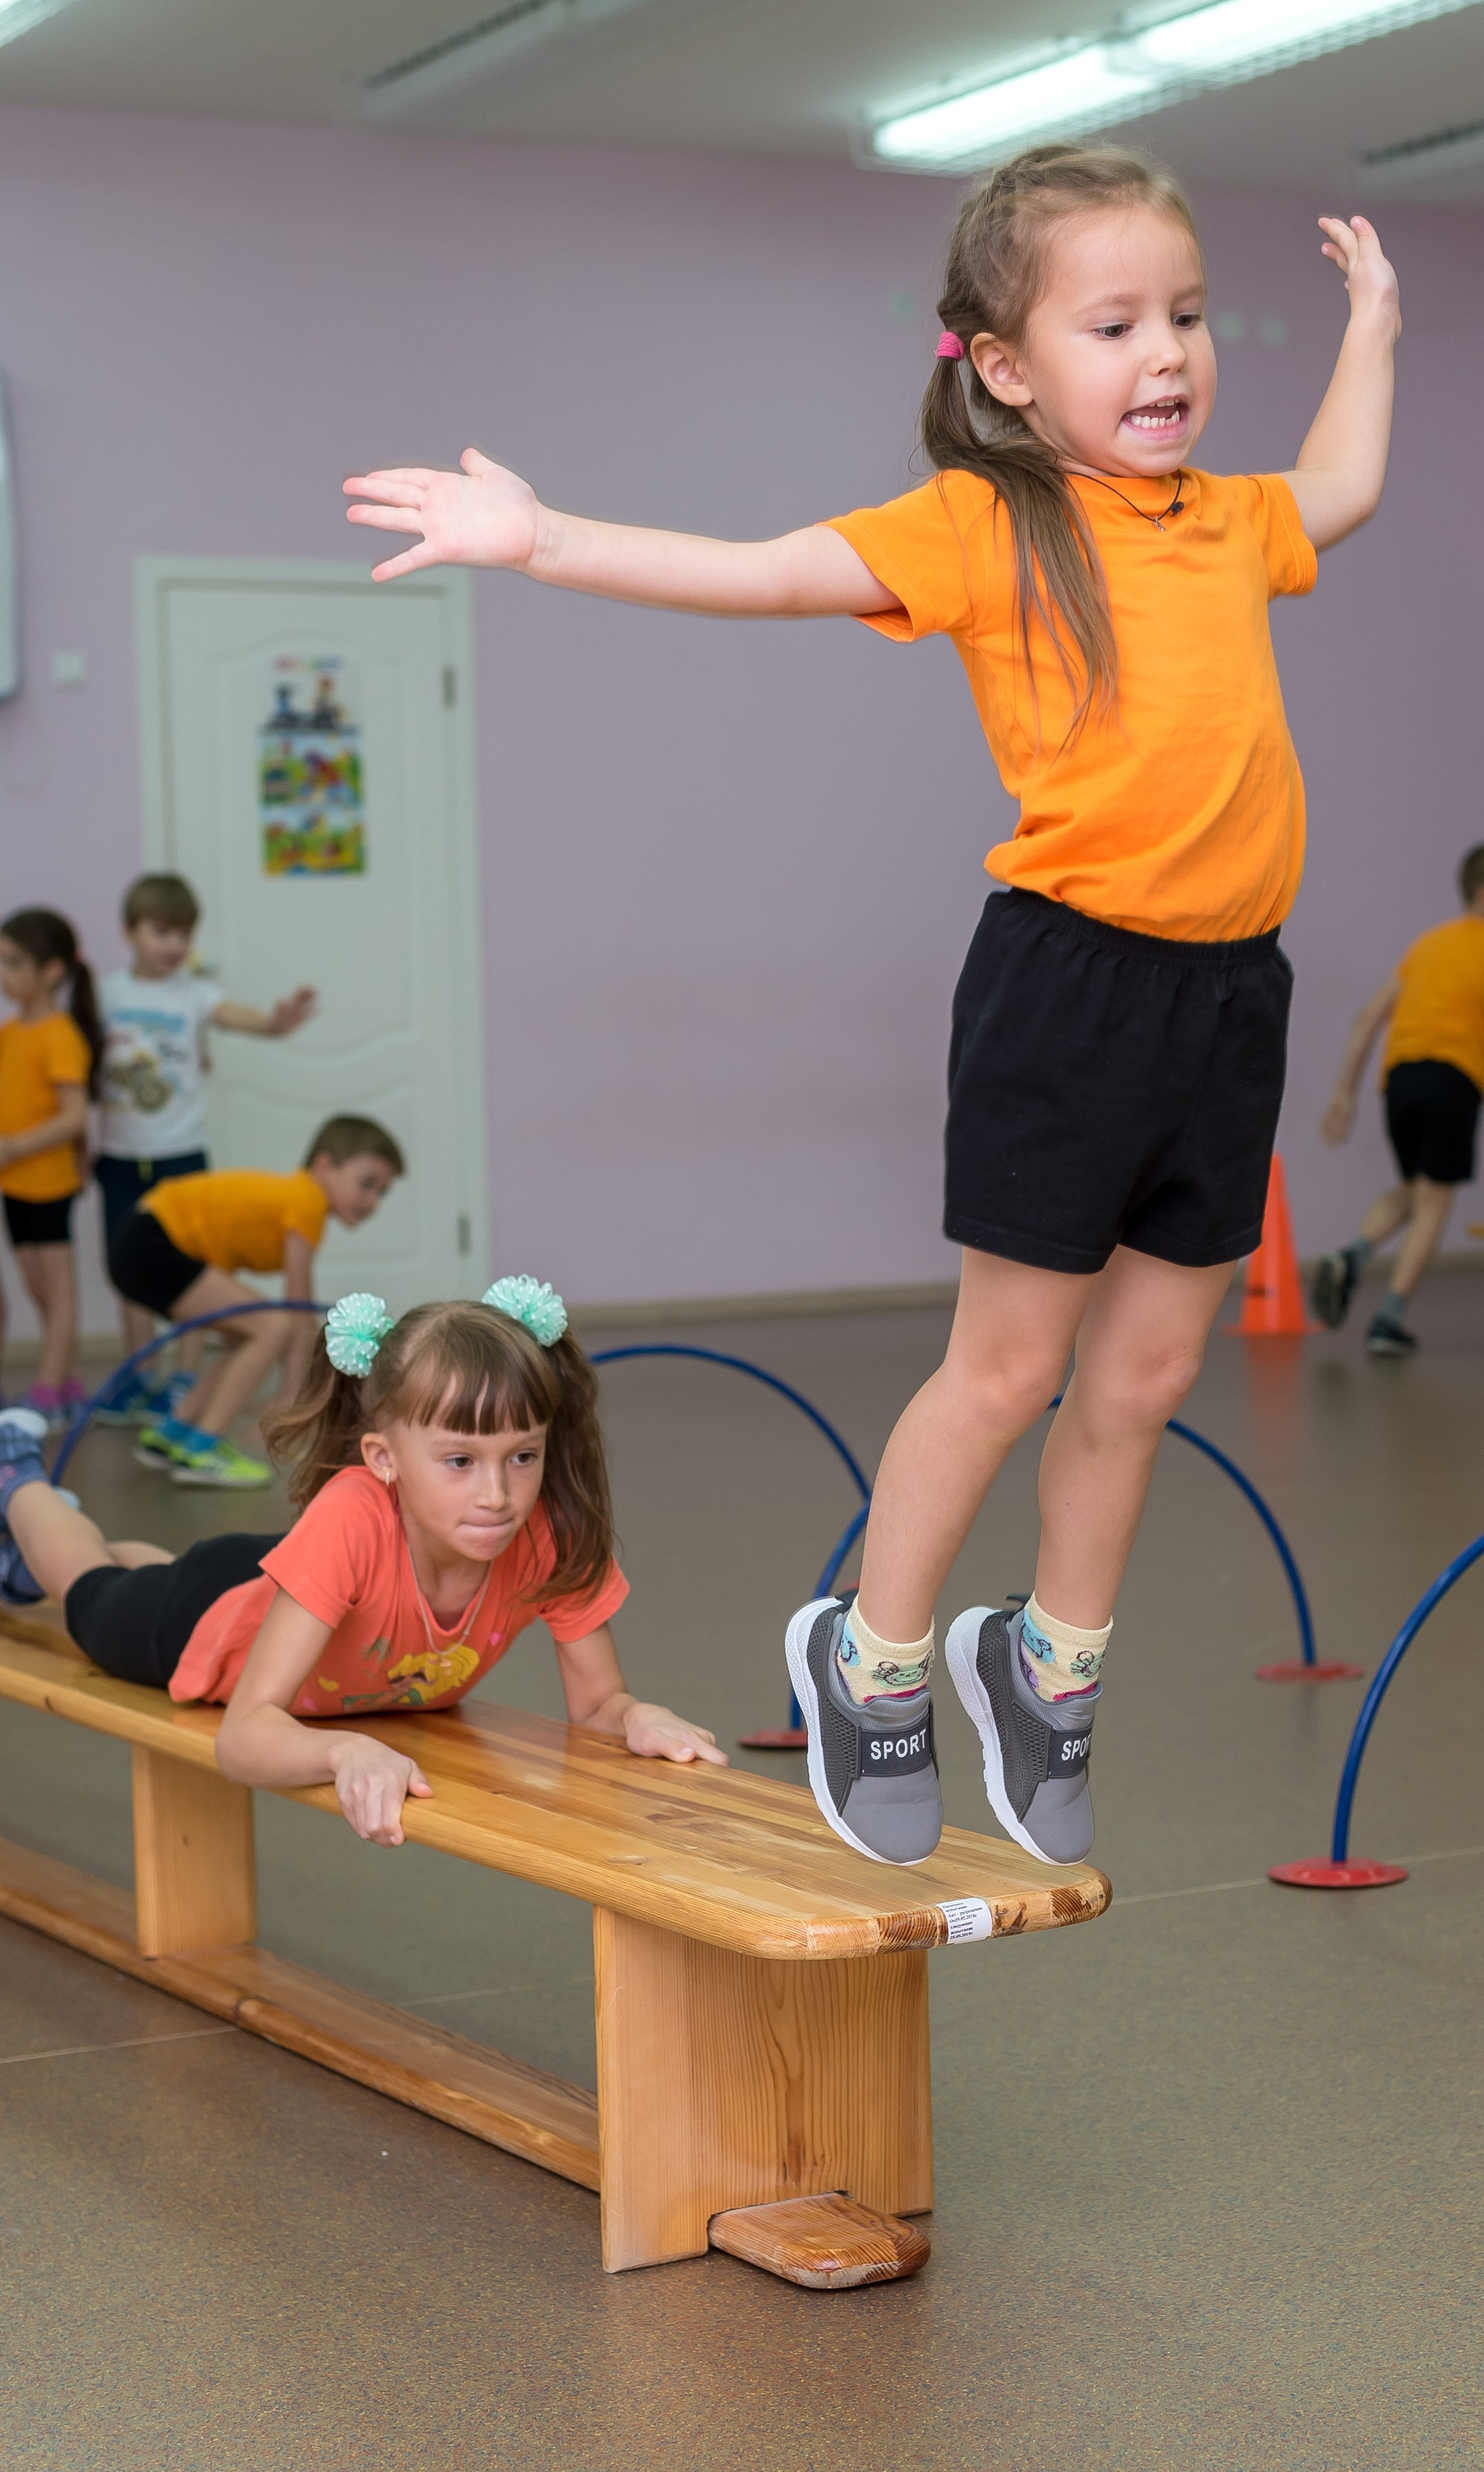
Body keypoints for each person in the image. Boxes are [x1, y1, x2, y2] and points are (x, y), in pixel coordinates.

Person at [343, 139, 1399, 1869]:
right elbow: (759, 570)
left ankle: (1044, 1667)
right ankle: (876, 1654)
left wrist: (1371, 323)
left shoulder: (1230, 518)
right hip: (1069, 989)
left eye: (1189, 318)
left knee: (1141, 1378)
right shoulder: (990, 525)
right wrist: (539, 538)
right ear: (999, 364)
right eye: (1114, 321)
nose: (1166, 355)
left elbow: (1343, 483)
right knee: (1003, 1367)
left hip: (1231, 997)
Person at [0, 1278, 723, 1839]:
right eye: (461, 1460)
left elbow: (596, 1703)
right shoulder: (351, 1513)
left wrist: (633, 1717)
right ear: (384, 1458)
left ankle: (33, 1557)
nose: (497, 1494)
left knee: (137, 1571)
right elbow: (244, 1737)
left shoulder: (548, 1535)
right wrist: (343, 1753)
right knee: (89, 1592)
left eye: (523, 1456)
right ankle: (17, 1477)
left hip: (283, 1587)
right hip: (200, 1629)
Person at [94, 871, 317, 1427]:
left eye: (183, 935)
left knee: (194, 1266)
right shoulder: (108, 994)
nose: (173, 946)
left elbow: (237, 1017)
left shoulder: (194, 994)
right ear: (130, 932)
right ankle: (140, 1378)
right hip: (122, 1153)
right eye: (160, 932)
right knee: (129, 1266)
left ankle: (186, 1378)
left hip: (181, 1152)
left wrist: (274, 1024)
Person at [1313, 844, 1484, 1357]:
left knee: (1415, 1190)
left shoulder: (1427, 945)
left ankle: (1351, 1255)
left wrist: (1345, 1092)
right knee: (1437, 1202)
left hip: (1399, 1080)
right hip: (1454, 1080)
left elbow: (1369, 1017)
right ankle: (1388, 1320)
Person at [107, 1113, 403, 1487]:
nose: (372, 1201)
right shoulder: (307, 1201)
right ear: (324, 1165)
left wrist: (291, 1393)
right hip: (153, 1242)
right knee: (272, 1326)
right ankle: (203, 1445)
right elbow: (298, 1313)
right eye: (367, 1184)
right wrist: (292, 1398)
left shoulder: (297, 1196)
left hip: (141, 1241)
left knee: (246, 1334)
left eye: (381, 1192)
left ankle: (175, 1433)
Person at [0, 908, 104, 1423]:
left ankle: (46, 1392)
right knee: (37, 1288)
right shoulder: (12, 1032)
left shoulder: (60, 1035)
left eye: (14, 962)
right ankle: (64, 1380)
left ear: (53, 971)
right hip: (14, 1185)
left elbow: (74, 1116)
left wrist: (14, 1146)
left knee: (58, 1289)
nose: (4, 974)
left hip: (46, 1183)